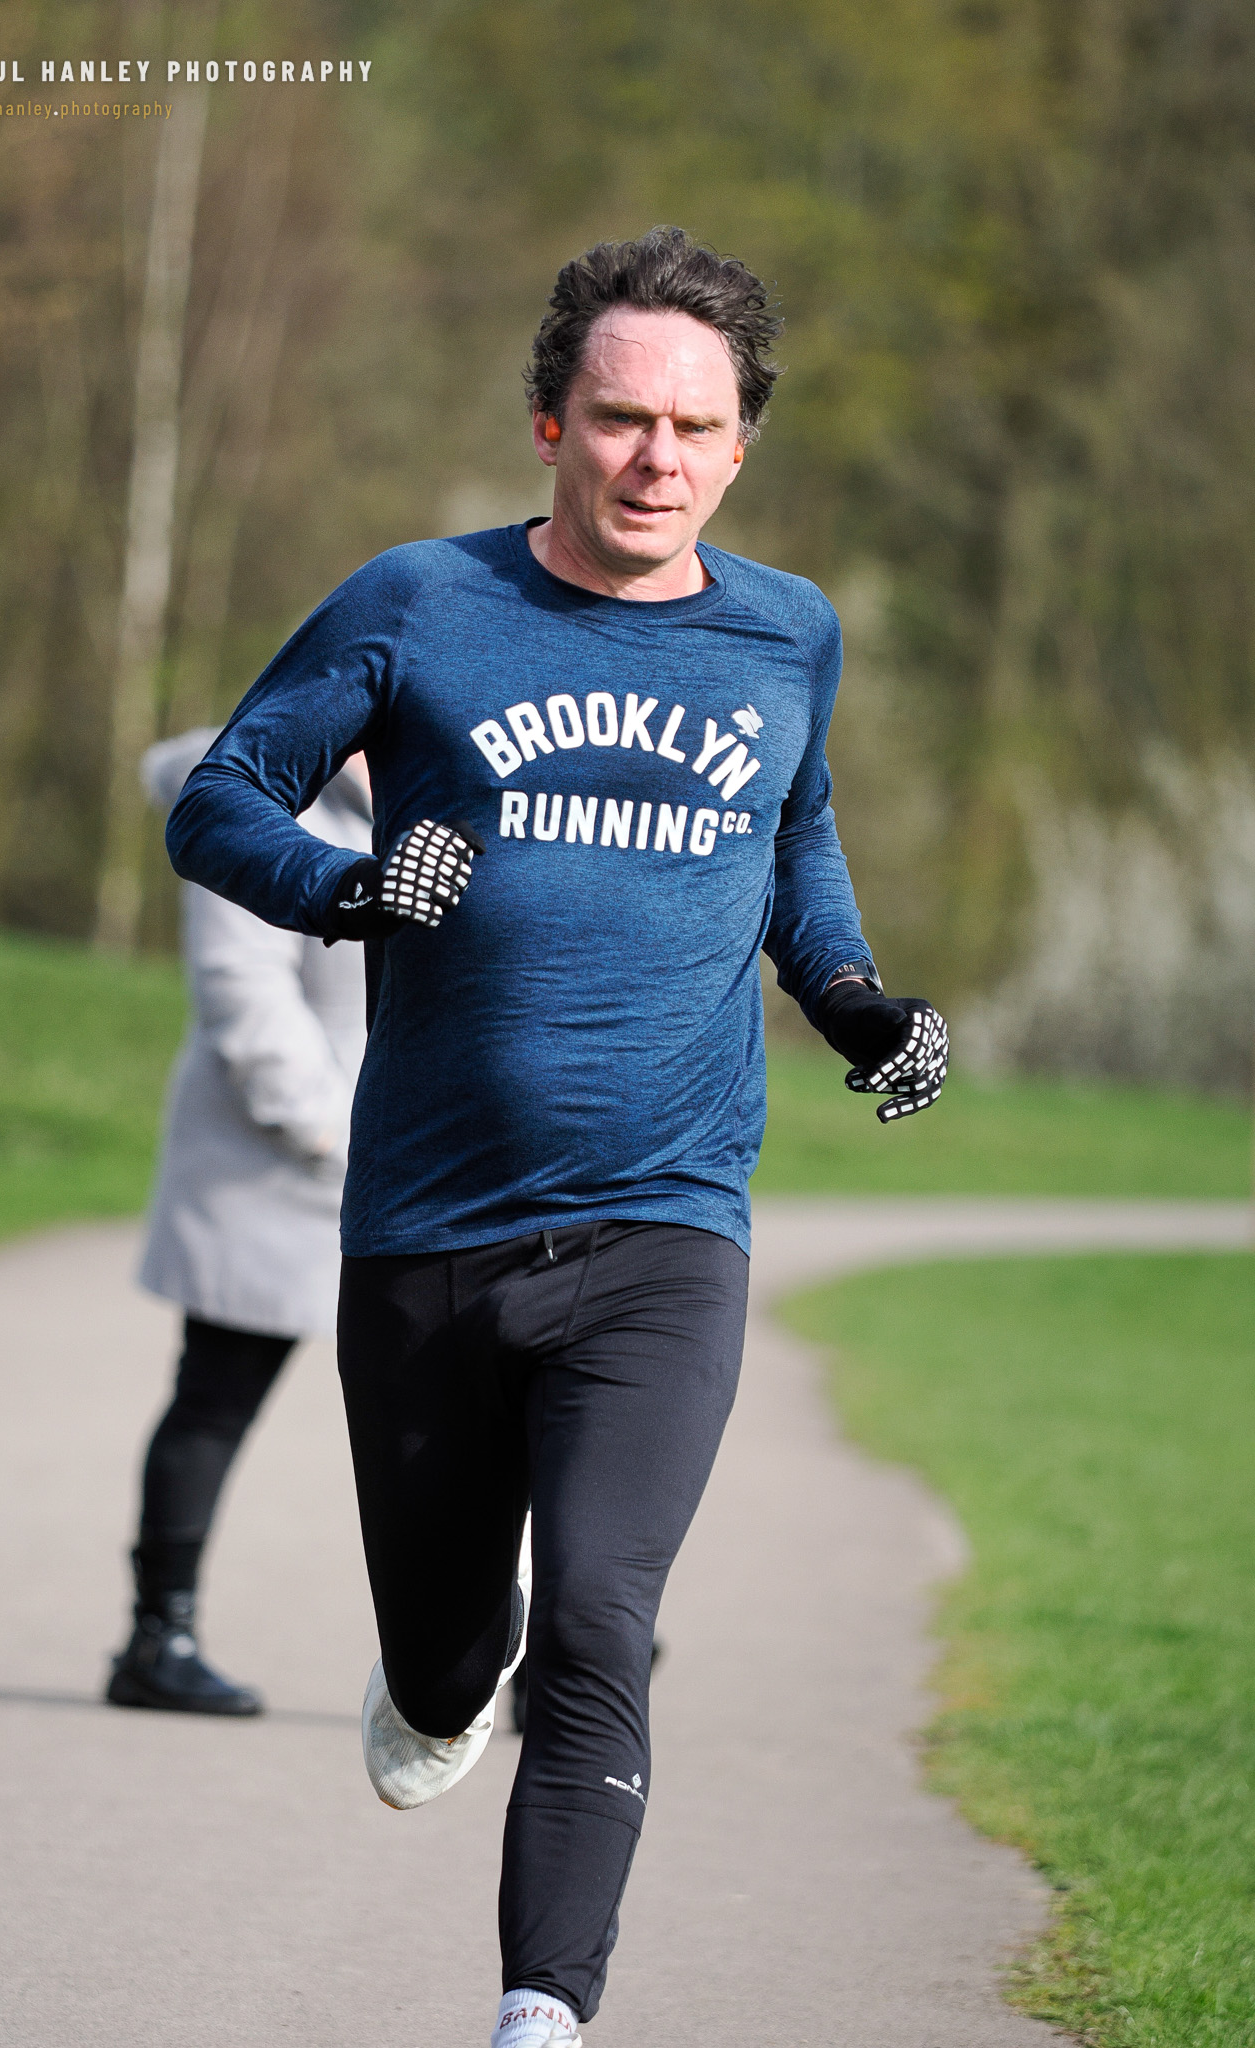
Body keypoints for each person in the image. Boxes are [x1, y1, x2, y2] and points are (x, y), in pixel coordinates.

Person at [164, 227, 948, 2043]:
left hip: (668, 1222)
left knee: (602, 1613)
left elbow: (795, 848)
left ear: (742, 442)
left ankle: (542, 2010)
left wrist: (854, 1004)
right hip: (430, 1231)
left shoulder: (787, 633)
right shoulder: (418, 602)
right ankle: (438, 1670)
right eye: (617, 419)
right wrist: (350, 890)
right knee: (456, 1657)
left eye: (692, 425)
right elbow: (220, 800)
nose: (654, 456)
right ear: (548, 423)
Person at [106, 730, 373, 1716]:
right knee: (215, 1398)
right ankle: (156, 1637)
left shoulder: (461, 779)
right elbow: (244, 994)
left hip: (423, 1164)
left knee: (484, 1413)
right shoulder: (254, 797)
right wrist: (338, 1133)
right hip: (276, 1169)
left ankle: (549, 1649)